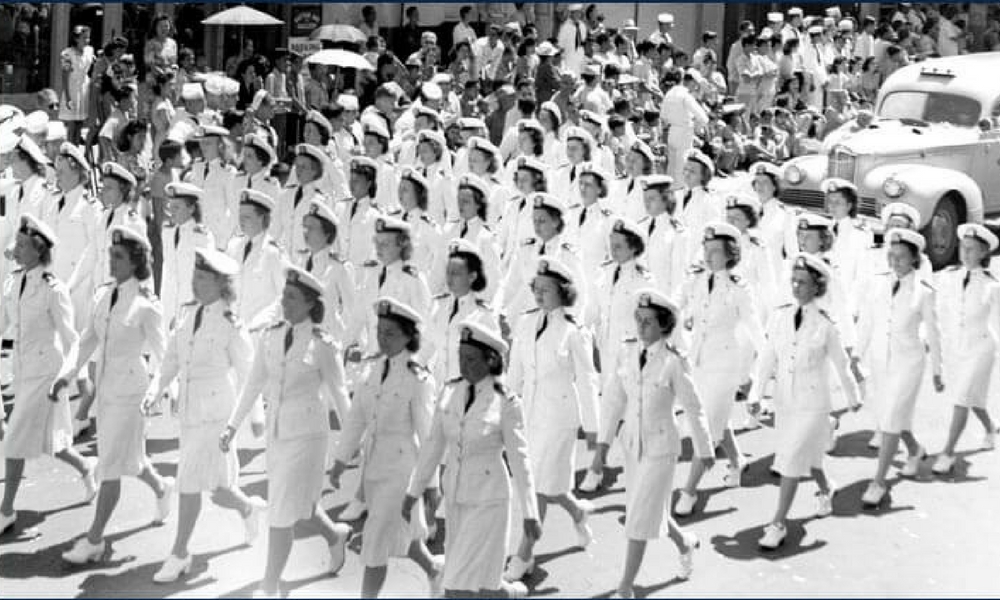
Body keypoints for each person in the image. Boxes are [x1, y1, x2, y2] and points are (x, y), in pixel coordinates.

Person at [222, 267, 353, 596]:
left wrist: (350, 448)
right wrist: (232, 426)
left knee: (280, 512)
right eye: (284, 295)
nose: (285, 301)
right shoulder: (271, 334)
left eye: (293, 297)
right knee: (300, 507)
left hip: (309, 438)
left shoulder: (323, 344)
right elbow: (253, 383)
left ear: (310, 303)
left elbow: (340, 396)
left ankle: (269, 586)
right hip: (277, 434)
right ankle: (335, 535)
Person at [142, 248, 265, 583]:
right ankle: (248, 509)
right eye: (195, 277)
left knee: (188, 481)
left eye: (203, 279)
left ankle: (180, 552)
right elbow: (171, 359)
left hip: (216, 414)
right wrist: (156, 390)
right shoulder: (186, 313)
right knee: (218, 488)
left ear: (221, 284)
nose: (195, 284)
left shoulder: (230, 323)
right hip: (189, 411)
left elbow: (249, 373)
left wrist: (252, 417)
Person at [59, 227, 174, 563]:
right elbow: (87, 341)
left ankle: (94, 539)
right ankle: (162, 488)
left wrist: (158, 393)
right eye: (111, 254)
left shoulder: (146, 305)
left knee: (109, 465)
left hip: (131, 395)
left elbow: (164, 355)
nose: (112, 260)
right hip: (107, 392)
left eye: (119, 256)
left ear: (136, 262)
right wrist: (65, 377)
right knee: (129, 460)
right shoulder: (103, 294)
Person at [589, 288, 712, 597]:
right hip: (632, 446)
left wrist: (704, 448)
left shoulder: (673, 362)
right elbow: (614, 401)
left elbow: (694, 407)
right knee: (649, 511)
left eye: (648, 322)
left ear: (664, 326)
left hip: (661, 449)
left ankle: (625, 588)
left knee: (638, 518)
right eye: (638, 320)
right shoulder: (626, 351)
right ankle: (684, 543)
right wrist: (601, 448)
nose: (641, 327)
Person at [402, 322, 539, 598]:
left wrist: (531, 514)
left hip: (489, 501)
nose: (463, 366)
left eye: (471, 359)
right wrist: (412, 492)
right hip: (456, 498)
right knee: (475, 581)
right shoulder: (450, 391)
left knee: (456, 585)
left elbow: (520, 461)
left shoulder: (506, 401)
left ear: (491, 360)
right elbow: (432, 447)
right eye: (460, 357)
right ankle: (507, 595)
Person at [329, 297, 444, 597]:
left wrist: (431, 485)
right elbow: (356, 418)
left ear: (409, 336)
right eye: (380, 331)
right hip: (372, 469)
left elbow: (428, 435)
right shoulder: (371, 369)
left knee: (375, 540)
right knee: (401, 535)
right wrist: (341, 459)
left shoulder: (418, 378)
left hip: (401, 472)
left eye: (391, 333)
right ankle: (434, 570)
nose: (382, 338)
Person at [750, 253, 862, 550]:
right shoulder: (781, 315)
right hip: (786, 401)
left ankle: (778, 523)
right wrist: (755, 394)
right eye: (794, 281)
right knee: (809, 458)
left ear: (817, 287)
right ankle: (827, 488)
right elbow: (767, 358)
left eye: (804, 283)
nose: (797, 287)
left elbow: (842, 363)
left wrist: (853, 397)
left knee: (788, 461)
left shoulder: (825, 324)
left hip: (813, 404)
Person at [0, 215, 97, 535]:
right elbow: (4, 325)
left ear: (38, 251)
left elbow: (72, 338)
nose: (16, 249)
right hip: (23, 368)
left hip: (47, 372)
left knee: (14, 440)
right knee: (53, 442)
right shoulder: (12, 282)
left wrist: (77, 378)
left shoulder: (54, 289)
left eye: (24, 245)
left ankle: (6, 510)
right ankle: (86, 467)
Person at [505, 258, 600, 581]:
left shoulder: (574, 331)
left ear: (564, 292)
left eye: (546, 289)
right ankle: (578, 512)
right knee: (547, 483)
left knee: (538, 487)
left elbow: (588, 380)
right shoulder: (526, 322)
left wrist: (593, 427)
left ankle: (524, 553)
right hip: (530, 414)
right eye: (536, 288)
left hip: (560, 417)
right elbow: (515, 370)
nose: (539, 294)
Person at [674, 222, 764, 515]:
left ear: (730, 255)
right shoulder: (698, 278)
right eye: (706, 249)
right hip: (698, 359)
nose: (708, 255)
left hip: (725, 363)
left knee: (706, 427)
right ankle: (738, 461)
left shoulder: (738, 287)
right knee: (714, 417)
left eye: (715, 251)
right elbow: (678, 302)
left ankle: (689, 491)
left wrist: (765, 363)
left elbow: (753, 325)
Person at [855, 228, 942, 506]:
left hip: (909, 363)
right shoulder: (878, 283)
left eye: (901, 257)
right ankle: (915, 451)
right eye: (891, 256)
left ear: (915, 259)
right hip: (881, 361)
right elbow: (867, 322)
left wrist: (938, 372)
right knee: (891, 416)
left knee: (891, 418)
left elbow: (934, 332)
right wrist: (856, 357)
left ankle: (878, 482)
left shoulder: (924, 292)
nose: (894, 262)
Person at [932, 224, 1000, 474]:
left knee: (961, 397)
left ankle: (948, 452)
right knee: (973, 399)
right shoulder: (950, 277)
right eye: (963, 248)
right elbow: (940, 311)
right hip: (958, 348)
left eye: (972, 250)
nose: (965, 254)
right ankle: (991, 427)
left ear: (984, 253)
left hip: (982, 348)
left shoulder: (992, 286)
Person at [160, 182, 216, 328]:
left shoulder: (201, 236)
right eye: (170, 207)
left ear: (191, 209)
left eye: (177, 207)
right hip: (169, 302)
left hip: (190, 302)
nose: (172, 212)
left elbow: (207, 275)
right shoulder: (167, 231)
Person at [59, 25, 95, 144]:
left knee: (80, 121)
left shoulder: (89, 51)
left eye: (88, 38)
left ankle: (77, 149)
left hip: (84, 87)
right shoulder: (67, 54)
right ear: (76, 39)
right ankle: (69, 149)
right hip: (72, 88)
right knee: (72, 123)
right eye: (84, 38)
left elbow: (93, 63)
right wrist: (68, 97)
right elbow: (65, 76)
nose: (87, 41)